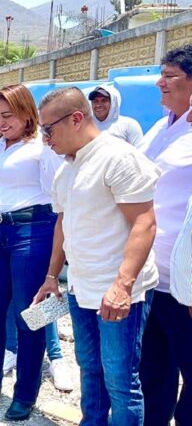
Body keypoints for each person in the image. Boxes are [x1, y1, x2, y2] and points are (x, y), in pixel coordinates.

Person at [34, 87, 160, 424]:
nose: (45, 139)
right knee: (89, 369)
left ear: (76, 119)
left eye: (49, 129)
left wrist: (122, 285)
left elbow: (145, 223)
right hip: (80, 287)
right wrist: (51, 277)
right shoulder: (66, 168)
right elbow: (64, 223)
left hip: (119, 293)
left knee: (120, 381)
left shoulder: (118, 157)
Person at [0, 84, 63, 421]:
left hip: (33, 230)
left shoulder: (42, 148)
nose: (2, 123)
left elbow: (57, 199)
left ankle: (25, 394)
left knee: (30, 315)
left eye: (9, 115)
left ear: (26, 113)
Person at [138, 45, 192, 426]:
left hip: (185, 283)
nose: (161, 82)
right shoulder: (162, 125)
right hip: (152, 276)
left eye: (170, 76)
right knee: (153, 372)